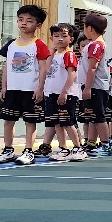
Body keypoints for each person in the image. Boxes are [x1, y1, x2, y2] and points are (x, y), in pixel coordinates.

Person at [0, 4, 51, 166]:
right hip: (12, 90)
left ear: (38, 25)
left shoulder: (39, 44)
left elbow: (43, 68)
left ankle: (28, 151)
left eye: (29, 20)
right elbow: (6, 66)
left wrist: (40, 88)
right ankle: (8, 150)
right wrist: (4, 86)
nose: (24, 23)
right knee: (8, 120)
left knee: (30, 121)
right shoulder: (11, 44)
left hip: (30, 90)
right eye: (20, 19)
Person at [37, 23, 82, 162]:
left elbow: (72, 74)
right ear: (51, 38)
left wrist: (64, 92)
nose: (60, 39)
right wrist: (51, 51)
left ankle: (78, 148)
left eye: (64, 36)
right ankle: (63, 149)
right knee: (57, 122)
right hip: (52, 93)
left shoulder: (69, 55)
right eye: (56, 36)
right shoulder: (54, 55)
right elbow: (46, 68)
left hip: (66, 94)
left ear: (71, 39)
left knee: (67, 122)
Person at [77, 11, 112, 156]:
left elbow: (92, 68)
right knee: (92, 117)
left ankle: (106, 144)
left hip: (95, 87)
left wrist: (87, 88)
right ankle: (91, 143)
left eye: (84, 27)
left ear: (90, 28)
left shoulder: (96, 45)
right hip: (95, 86)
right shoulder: (96, 44)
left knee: (99, 117)